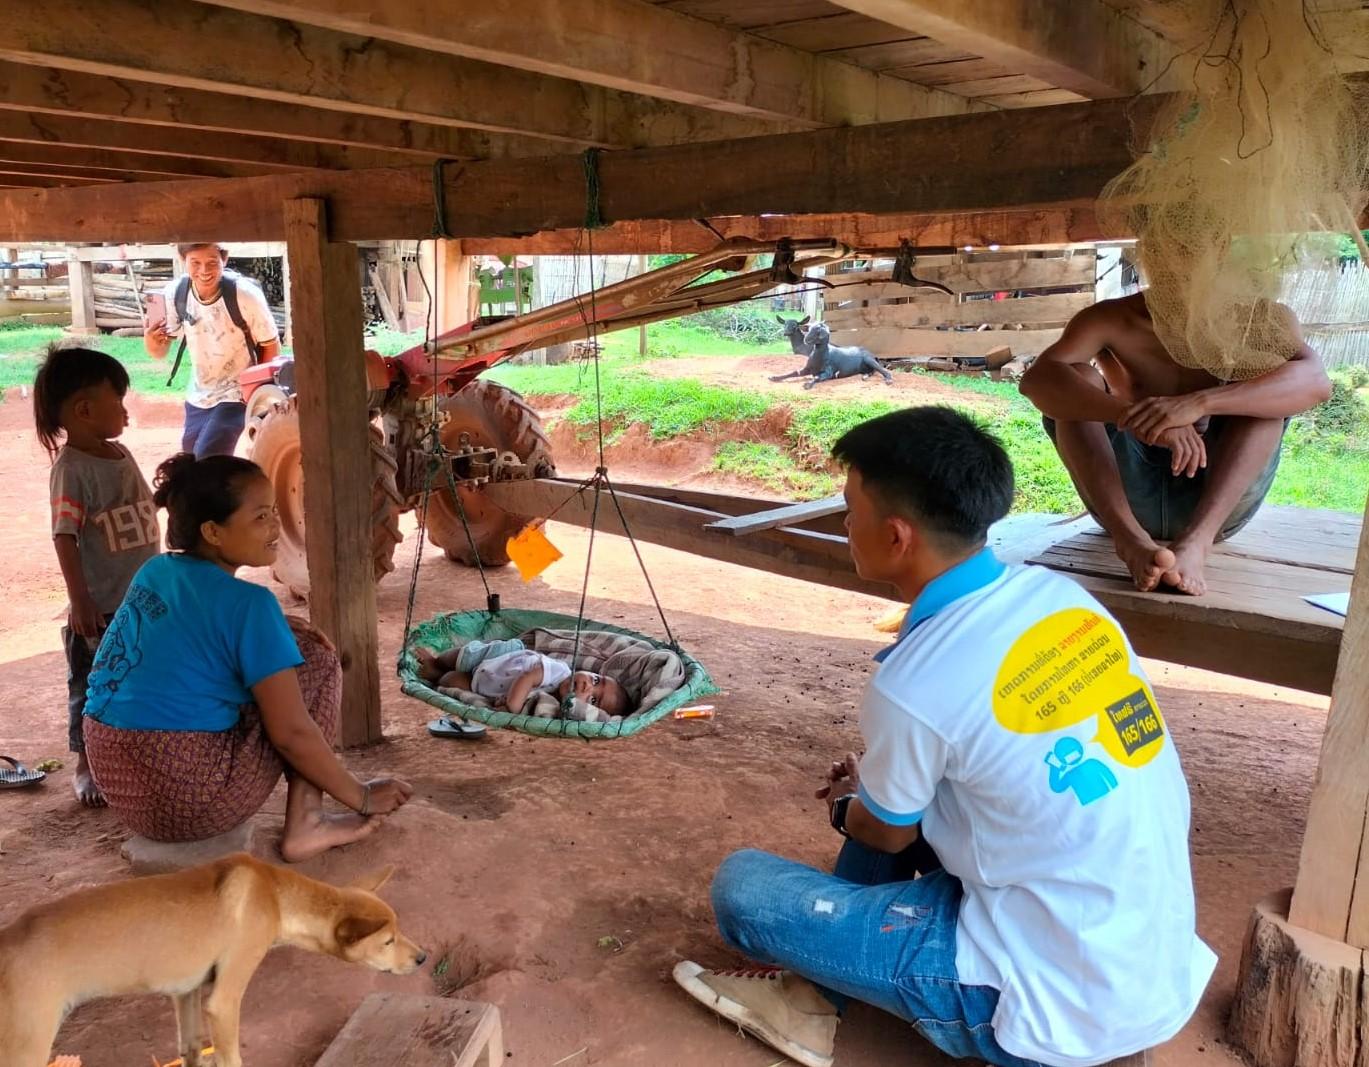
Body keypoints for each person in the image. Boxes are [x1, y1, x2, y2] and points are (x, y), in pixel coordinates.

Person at [674, 407, 1215, 1067]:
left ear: (897, 535)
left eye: (850, 508)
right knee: (895, 796)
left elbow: (887, 834)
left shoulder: (915, 683)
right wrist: (880, 791)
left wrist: (854, 806)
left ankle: (840, 999)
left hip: (1044, 997)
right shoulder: (1060, 601)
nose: (845, 524)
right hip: (1140, 953)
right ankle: (812, 1001)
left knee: (745, 889)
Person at [82, 453, 411, 861]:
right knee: (318, 662)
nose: (276, 525)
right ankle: (307, 823)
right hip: (190, 805)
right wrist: (360, 797)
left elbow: (191, 633)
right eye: (260, 517)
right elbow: (291, 735)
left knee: (281, 655)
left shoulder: (155, 571)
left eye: (274, 511)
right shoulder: (250, 605)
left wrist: (277, 629)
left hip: (122, 787)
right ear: (213, 532)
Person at [1019, 292, 1331, 595]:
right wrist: (1138, 417)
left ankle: (1197, 542)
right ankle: (1130, 541)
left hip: (1216, 499)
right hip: (1124, 495)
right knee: (1073, 385)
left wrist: (1199, 403)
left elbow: (1316, 382)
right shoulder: (1111, 317)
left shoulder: (1263, 319)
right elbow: (1035, 381)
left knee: (1267, 395)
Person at [33, 345, 159, 809]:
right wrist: (80, 600)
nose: (126, 411)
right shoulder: (72, 471)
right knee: (92, 687)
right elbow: (64, 535)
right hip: (101, 606)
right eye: (119, 402)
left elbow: (135, 509)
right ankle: (87, 764)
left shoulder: (119, 453)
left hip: (141, 599)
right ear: (85, 410)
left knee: (140, 677)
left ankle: (132, 753)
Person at [142, 243, 281, 458]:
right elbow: (158, 352)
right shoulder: (175, 294)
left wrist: (255, 393)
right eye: (195, 263)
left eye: (212, 262)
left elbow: (270, 345)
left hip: (238, 393)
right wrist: (152, 340)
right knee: (191, 456)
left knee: (208, 456)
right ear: (183, 260)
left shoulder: (245, 295)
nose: (204, 271)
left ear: (224, 260)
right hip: (199, 393)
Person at [415, 640, 630, 716]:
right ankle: (437, 659)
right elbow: (527, 679)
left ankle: (436, 675)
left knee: (450, 682)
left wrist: (504, 699)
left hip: (485, 683)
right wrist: (513, 706)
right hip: (496, 658)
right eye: (594, 680)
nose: (586, 687)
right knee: (459, 658)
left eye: (593, 700)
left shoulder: (550, 704)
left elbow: (529, 696)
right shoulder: (559, 671)